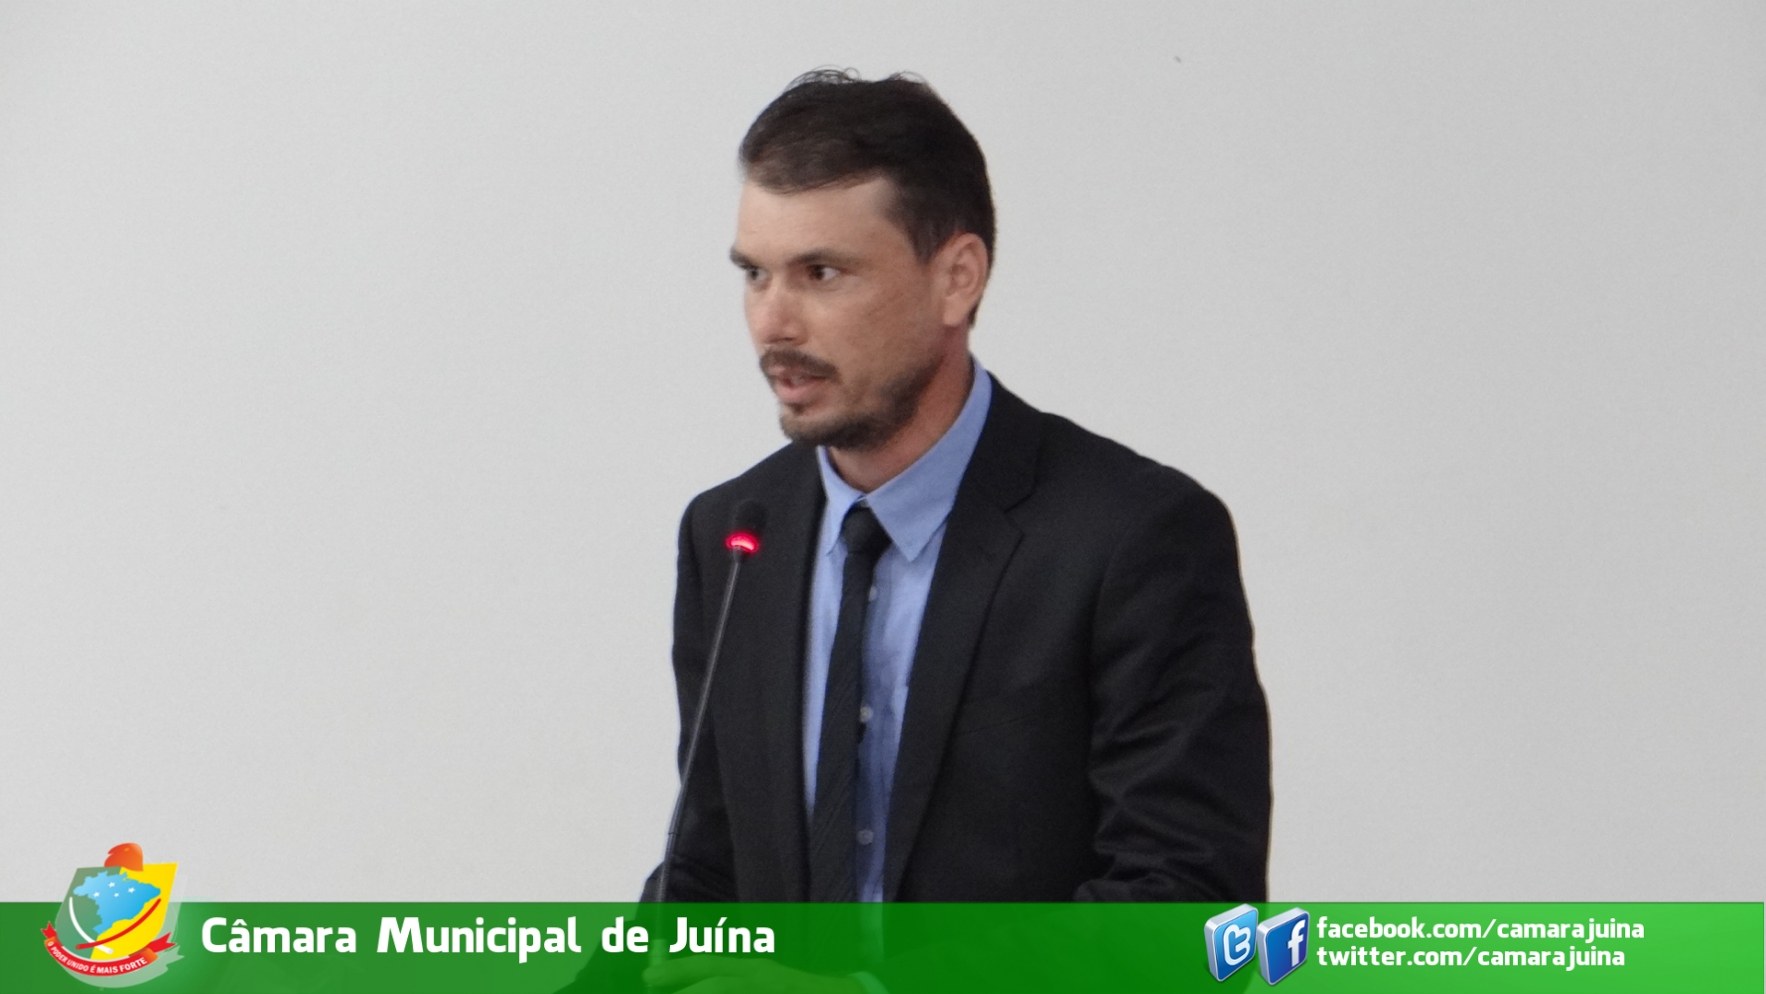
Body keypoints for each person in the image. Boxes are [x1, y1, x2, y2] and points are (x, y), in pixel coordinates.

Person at [631, 69, 1270, 991]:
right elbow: (706, 877)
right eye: (754, 274)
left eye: (822, 273)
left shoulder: (1136, 538)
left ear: (956, 279)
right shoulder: (732, 535)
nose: (773, 321)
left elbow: (1188, 909)